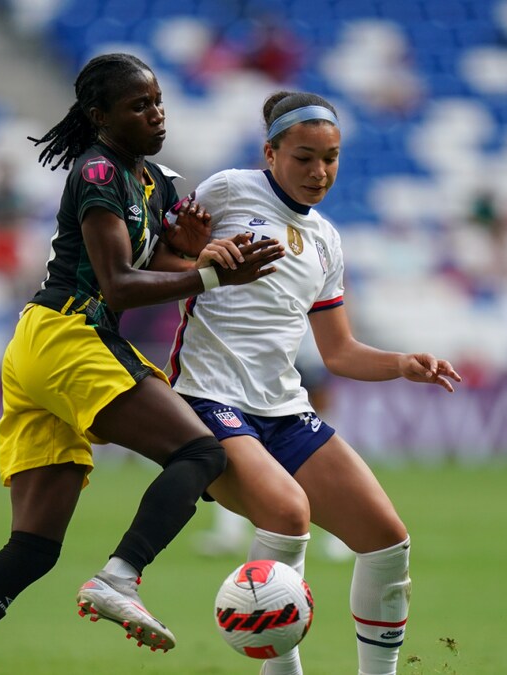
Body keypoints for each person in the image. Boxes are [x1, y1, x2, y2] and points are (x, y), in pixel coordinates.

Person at [0, 52, 285, 675]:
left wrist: (196, 256)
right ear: (100, 116)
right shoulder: (96, 171)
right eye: (138, 106)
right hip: (70, 334)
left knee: (32, 548)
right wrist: (208, 276)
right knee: (200, 452)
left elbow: (162, 266)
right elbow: (118, 284)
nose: (156, 114)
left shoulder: (155, 180)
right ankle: (120, 577)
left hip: (42, 346)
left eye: (158, 101)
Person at [161, 90, 461, 675]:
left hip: (282, 408)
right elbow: (155, 263)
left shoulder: (326, 239)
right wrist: (198, 263)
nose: (319, 171)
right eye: (304, 157)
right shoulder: (225, 191)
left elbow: (340, 351)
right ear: (269, 152)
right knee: (287, 514)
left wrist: (402, 364)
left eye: (331, 157)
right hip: (207, 398)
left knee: (386, 540)